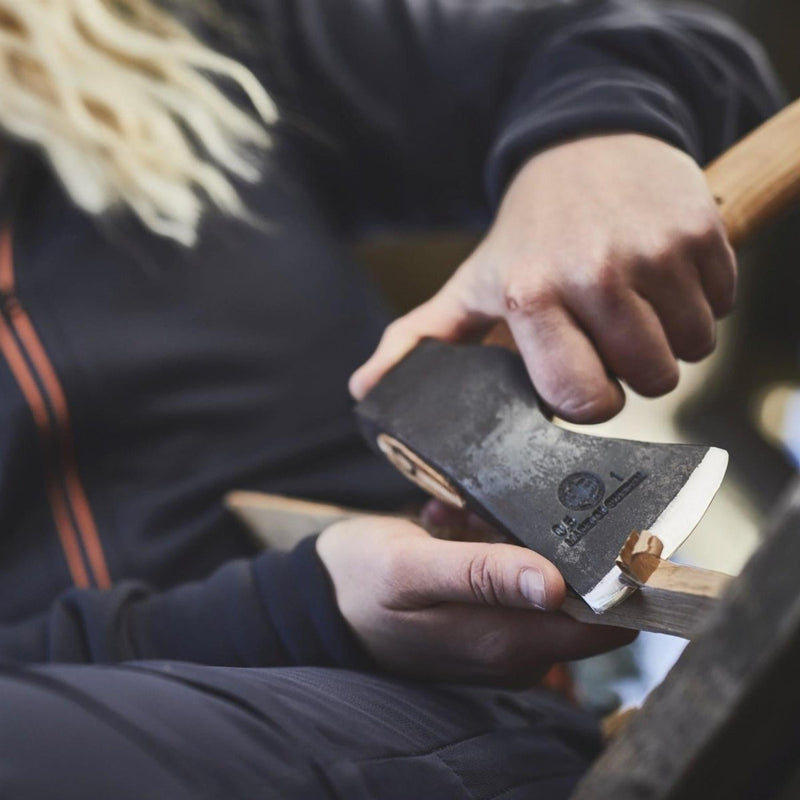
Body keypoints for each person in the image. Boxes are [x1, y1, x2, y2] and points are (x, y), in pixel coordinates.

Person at [0, 0, 783, 797]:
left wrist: (592, 136)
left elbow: (661, 37)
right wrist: (301, 607)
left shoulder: (175, 44)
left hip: (426, 720)